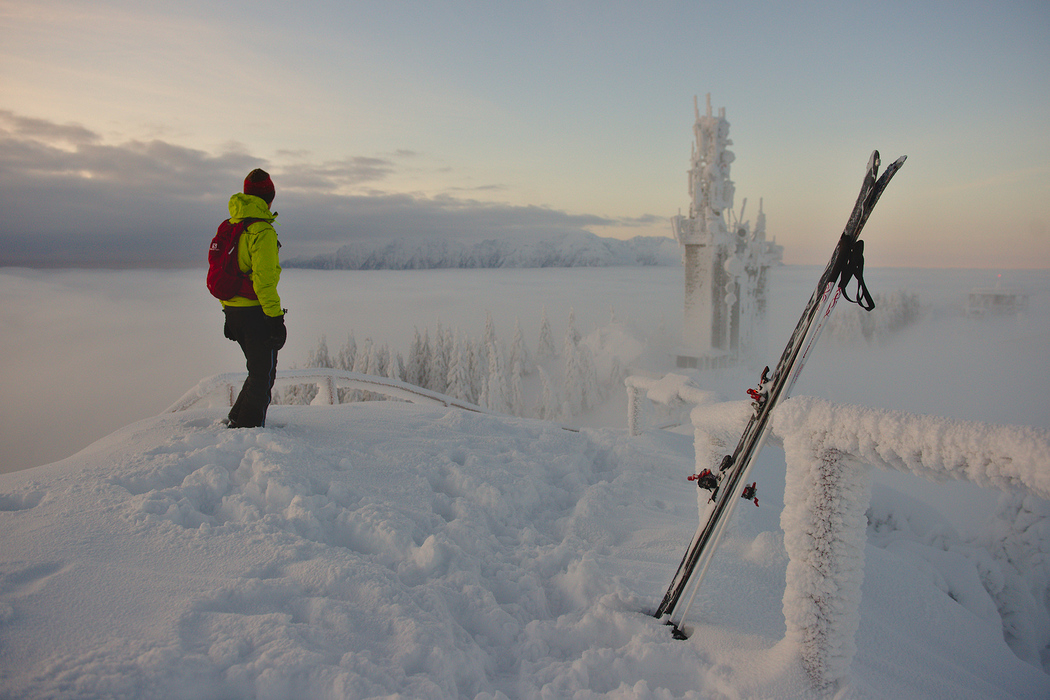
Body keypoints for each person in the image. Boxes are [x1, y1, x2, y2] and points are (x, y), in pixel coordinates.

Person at [220, 168, 287, 428]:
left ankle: (237, 418)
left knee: (258, 370)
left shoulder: (230, 226)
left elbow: (222, 271)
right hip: (255, 312)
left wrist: (227, 309)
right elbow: (265, 281)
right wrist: (275, 319)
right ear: (269, 198)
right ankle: (246, 431)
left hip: (233, 311)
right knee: (263, 375)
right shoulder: (262, 231)